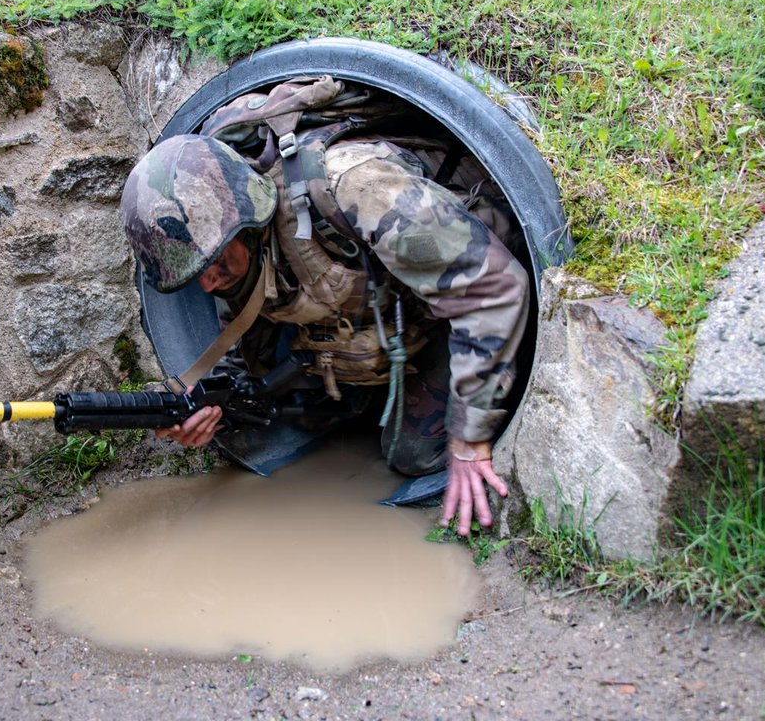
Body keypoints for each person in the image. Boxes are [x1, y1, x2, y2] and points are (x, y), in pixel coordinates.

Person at [120, 112, 529, 535]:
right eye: (193, 275)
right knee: (301, 417)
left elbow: (494, 287)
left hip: (459, 300)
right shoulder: (235, 262)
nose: (208, 283)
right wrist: (209, 409)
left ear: (248, 224)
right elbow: (245, 361)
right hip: (380, 330)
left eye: (214, 262)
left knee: (413, 457)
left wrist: (470, 439)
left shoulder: (357, 190)